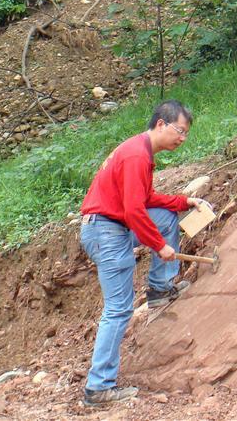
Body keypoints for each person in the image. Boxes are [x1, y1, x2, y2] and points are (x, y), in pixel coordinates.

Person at [78, 100, 208, 407]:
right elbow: (134, 211)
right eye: (180, 130)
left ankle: (160, 289)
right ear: (161, 124)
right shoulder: (137, 155)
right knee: (119, 308)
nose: (183, 138)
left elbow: (146, 199)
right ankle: (98, 388)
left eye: (186, 133)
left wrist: (182, 201)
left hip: (111, 224)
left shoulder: (140, 151)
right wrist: (160, 246)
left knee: (164, 219)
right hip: (105, 230)